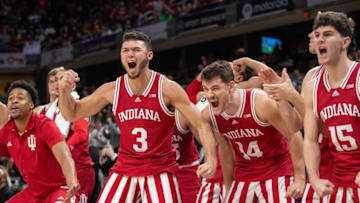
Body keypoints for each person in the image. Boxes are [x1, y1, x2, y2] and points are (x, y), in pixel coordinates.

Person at [58, 30, 217, 202]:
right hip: (124, 168)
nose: (130, 54)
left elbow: (201, 124)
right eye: (125, 50)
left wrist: (211, 158)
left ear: (149, 55)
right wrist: (64, 91)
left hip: (160, 169)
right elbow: (72, 113)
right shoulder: (112, 89)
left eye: (136, 50)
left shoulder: (167, 88)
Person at [200, 60, 305, 202]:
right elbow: (225, 153)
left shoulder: (260, 103)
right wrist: (228, 188)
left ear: (231, 86)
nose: (209, 95)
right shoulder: (211, 113)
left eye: (215, 88)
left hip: (276, 170)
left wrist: (299, 179)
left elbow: (294, 135)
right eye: (205, 89)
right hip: (244, 174)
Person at [257, 30, 333, 202]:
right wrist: (281, 97)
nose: (310, 35)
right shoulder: (311, 76)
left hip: (348, 168)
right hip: (319, 171)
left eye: (318, 32)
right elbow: (295, 125)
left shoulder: (354, 76)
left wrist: (291, 95)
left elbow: (330, 129)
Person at [303, 11, 360, 201]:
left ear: (345, 42)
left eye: (327, 34)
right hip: (338, 183)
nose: (319, 40)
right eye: (317, 35)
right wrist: (315, 179)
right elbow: (310, 140)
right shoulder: (312, 83)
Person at [0, 80, 79, 203]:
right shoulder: (6, 132)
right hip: (34, 191)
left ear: (31, 105)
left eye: (20, 98)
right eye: (10, 99)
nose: (14, 100)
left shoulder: (45, 125)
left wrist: (72, 180)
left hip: (59, 188)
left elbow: (65, 156)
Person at [36, 67, 95, 203]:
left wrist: (59, 152)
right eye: (52, 81)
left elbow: (81, 135)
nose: (56, 84)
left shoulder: (79, 105)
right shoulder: (40, 111)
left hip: (78, 171)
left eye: (60, 80)